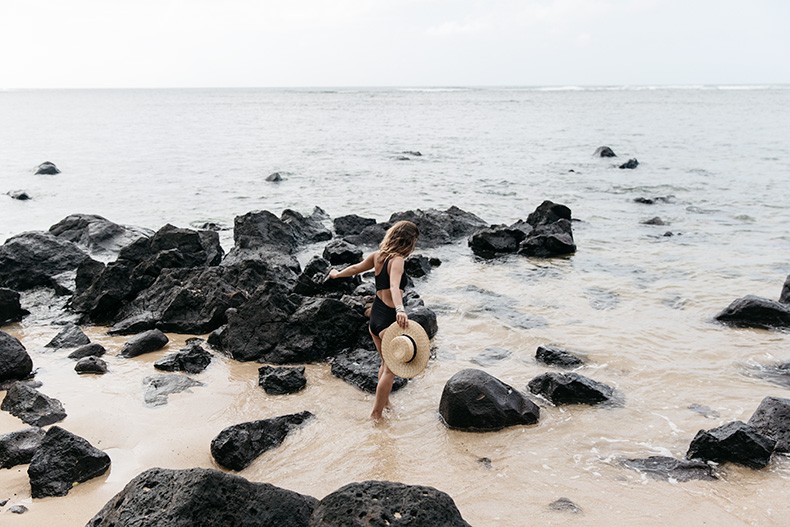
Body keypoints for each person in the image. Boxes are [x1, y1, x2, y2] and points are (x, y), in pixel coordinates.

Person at [327, 220, 419, 420]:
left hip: (375, 318)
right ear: (408, 242)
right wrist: (401, 310)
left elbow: (354, 269)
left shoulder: (377, 256)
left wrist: (336, 274)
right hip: (388, 318)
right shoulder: (398, 260)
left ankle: (384, 403)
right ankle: (376, 414)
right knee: (390, 369)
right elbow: (395, 287)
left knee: (384, 364)